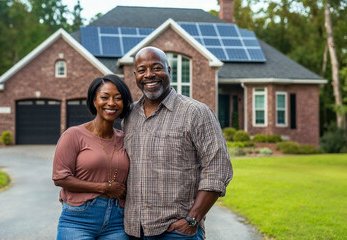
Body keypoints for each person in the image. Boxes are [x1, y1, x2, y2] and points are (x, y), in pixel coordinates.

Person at [122, 47, 233, 239]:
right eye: (142, 70)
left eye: (156, 68)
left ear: (169, 71)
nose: (149, 75)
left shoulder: (196, 112)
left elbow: (217, 169)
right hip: (133, 231)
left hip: (176, 232)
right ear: (135, 75)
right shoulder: (129, 116)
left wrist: (192, 219)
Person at [52, 74, 133, 240]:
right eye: (105, 97)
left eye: (118, 98)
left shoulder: (126, 139)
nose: (111, 103)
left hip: (117, 220)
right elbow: (60, 178)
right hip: (79, 219)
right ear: (94, 101)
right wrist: (104, 188)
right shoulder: (74, 135)